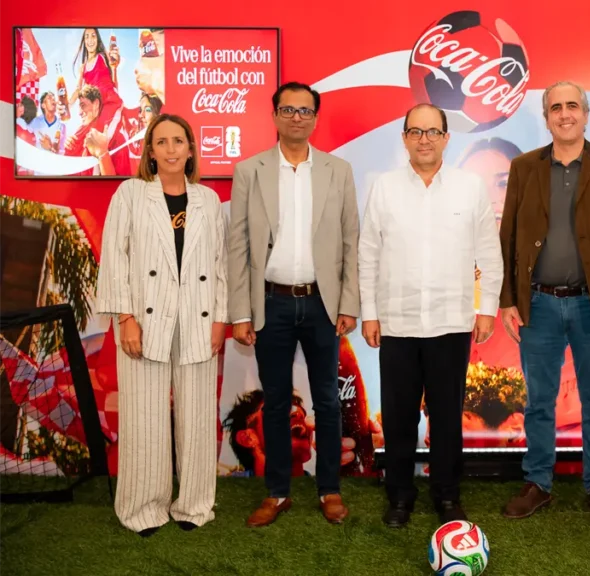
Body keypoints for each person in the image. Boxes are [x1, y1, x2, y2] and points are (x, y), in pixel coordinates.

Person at [498, 80, 590, 524]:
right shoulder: (524, 167)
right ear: (546, 118)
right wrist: (508, 299)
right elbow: (507, 237)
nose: (565, 114)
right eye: (556, 107)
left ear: (586, 114)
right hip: (538, 304)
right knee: (539, 401)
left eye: (573, 106)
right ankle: (538, 483)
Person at [359, 103, 503, 527]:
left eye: (433, 132)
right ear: (404, 138)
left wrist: (487, 309)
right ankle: (399, 496)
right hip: (397, 323)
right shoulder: (384, 187)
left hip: (450, 323)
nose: (424, 140)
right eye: (416, 132)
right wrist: (370, 313)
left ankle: (447, 495)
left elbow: (488, 253)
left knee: (446, 418)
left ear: (446, 138)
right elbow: (368, 254)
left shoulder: (469, 187)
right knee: (398, 418)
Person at [227, 81, 360, 528]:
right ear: (275, 116)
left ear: (315, 118)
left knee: (327, 401)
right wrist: (241, 313)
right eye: (288, 109)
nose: (297, 117)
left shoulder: (338, 170)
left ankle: (329, 490)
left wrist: (348, 303)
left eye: (305, 110)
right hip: (271, 303)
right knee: (276, 403)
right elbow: (238, 246)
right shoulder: (250, 171)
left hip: (323, 303)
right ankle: (277, 493)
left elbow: (351, 240)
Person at [94, 113, 227, 536]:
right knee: (144, 417)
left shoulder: (208, 200)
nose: (171, 149)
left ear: (190, 149)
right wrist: (125, 318)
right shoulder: (131, 194)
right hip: (144, 321)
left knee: (197, 418)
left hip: (198, 318)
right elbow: (114, 258)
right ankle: (142, 508)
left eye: (178, 141)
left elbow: (220, 265)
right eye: (162, 141)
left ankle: (194, 504)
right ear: (150, 151)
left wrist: (220, 318)